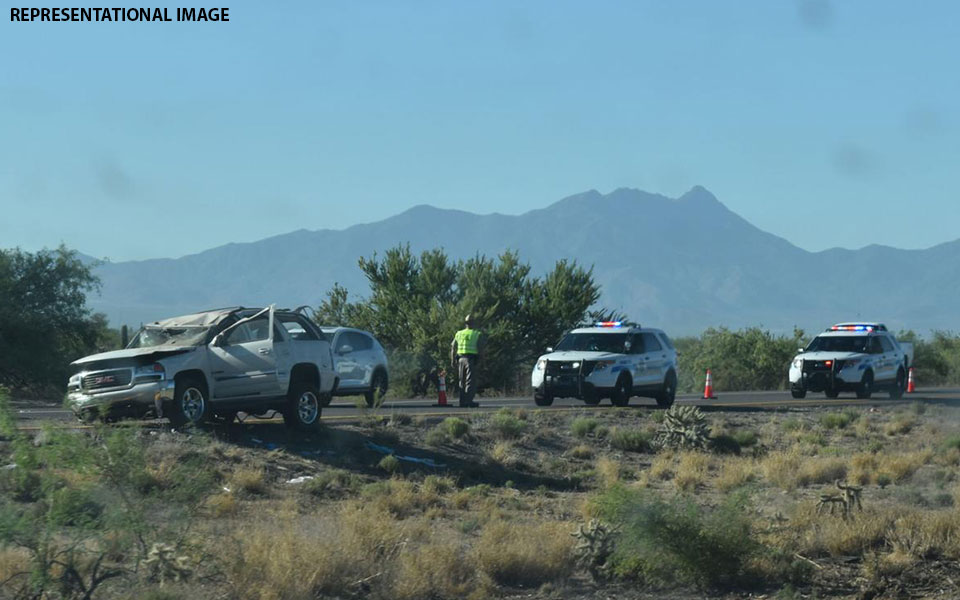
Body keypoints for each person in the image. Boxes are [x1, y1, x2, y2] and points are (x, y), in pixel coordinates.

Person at [450, 314, 482, 407]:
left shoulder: (459, 333)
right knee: (470, 381)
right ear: (473, 323)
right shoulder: (476, 334)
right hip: (470, 359)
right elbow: (481, 349)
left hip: (460, 359)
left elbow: (453, 347)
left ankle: (462, 401)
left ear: (465, 323)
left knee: (462, 381)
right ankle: (468, 401)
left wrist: (452, 360)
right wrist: (481, 360)